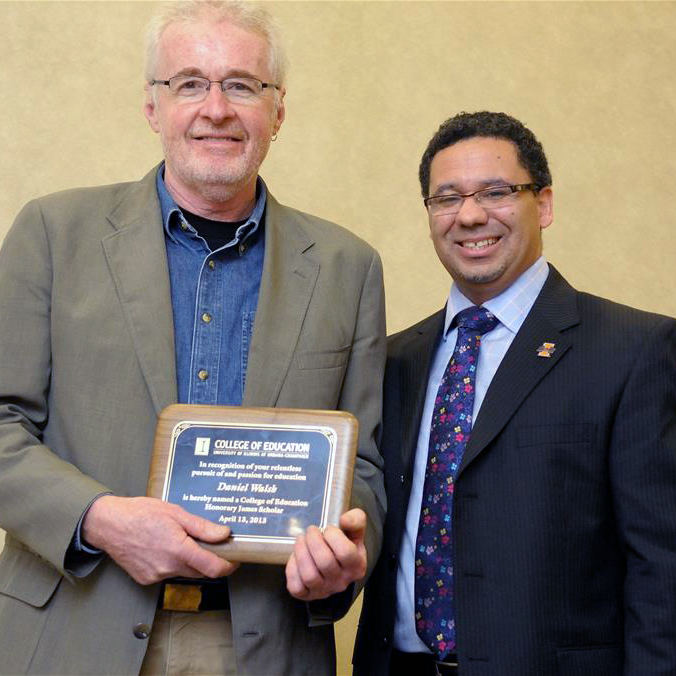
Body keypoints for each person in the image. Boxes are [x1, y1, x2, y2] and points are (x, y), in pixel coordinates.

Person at [0, 2, 386, 674]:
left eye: (242, 84)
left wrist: (351, 550)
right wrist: (101, 520)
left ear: (279, 111)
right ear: (153, 107)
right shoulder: (52, 235)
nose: (216, 108)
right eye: (189, 83)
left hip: (265, 645)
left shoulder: (348, 268)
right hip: (73, 634)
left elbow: (367, 471)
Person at [354, 111, 676, 675]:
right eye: (446, 198)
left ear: (544, 204)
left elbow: (662, 569)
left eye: (497, 192)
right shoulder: (392, 360)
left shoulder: (634, 350)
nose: (470, 215)